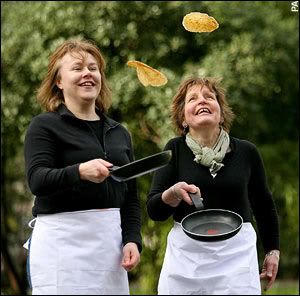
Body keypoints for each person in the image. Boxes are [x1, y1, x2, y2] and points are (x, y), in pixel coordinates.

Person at [23, 39, 142, 295]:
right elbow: (37, 180)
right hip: (61, 245)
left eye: (93, 67)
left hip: (109, 247)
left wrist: (132, 239)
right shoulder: (44, 126)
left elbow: (130, 195)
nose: (88, 73)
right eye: (77, 68)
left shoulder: (119, 132)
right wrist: (79, 172)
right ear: (58, 81)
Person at [147, 77, 280, 295]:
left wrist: (272, 251)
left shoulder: (246, 152)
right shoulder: (175, 150)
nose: (202, 101)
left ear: (221, 112)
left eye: (210, 97)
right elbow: (154, 210)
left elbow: (264, 206)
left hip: (237, 259)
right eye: (193, 98)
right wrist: (172, 194)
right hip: (186, 260)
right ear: (183, 118)